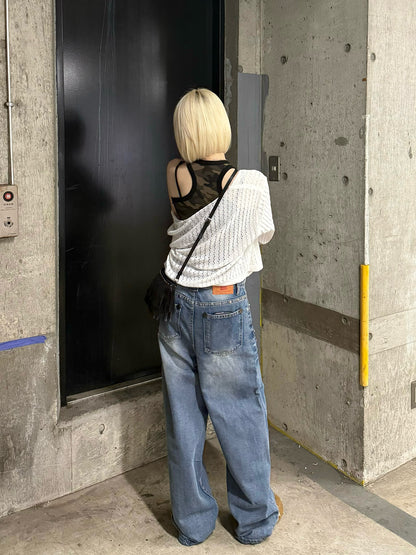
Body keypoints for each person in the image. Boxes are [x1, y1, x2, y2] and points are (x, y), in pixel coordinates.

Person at [157, 87, 283, 546]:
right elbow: (263, 234)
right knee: (240, 413)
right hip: (222, 306)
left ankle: (193, 525)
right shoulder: (251, 184)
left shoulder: (174, 172)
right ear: (221, 126)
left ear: (184, 131)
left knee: (183, 417)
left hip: (175, 304)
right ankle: (254, 521)